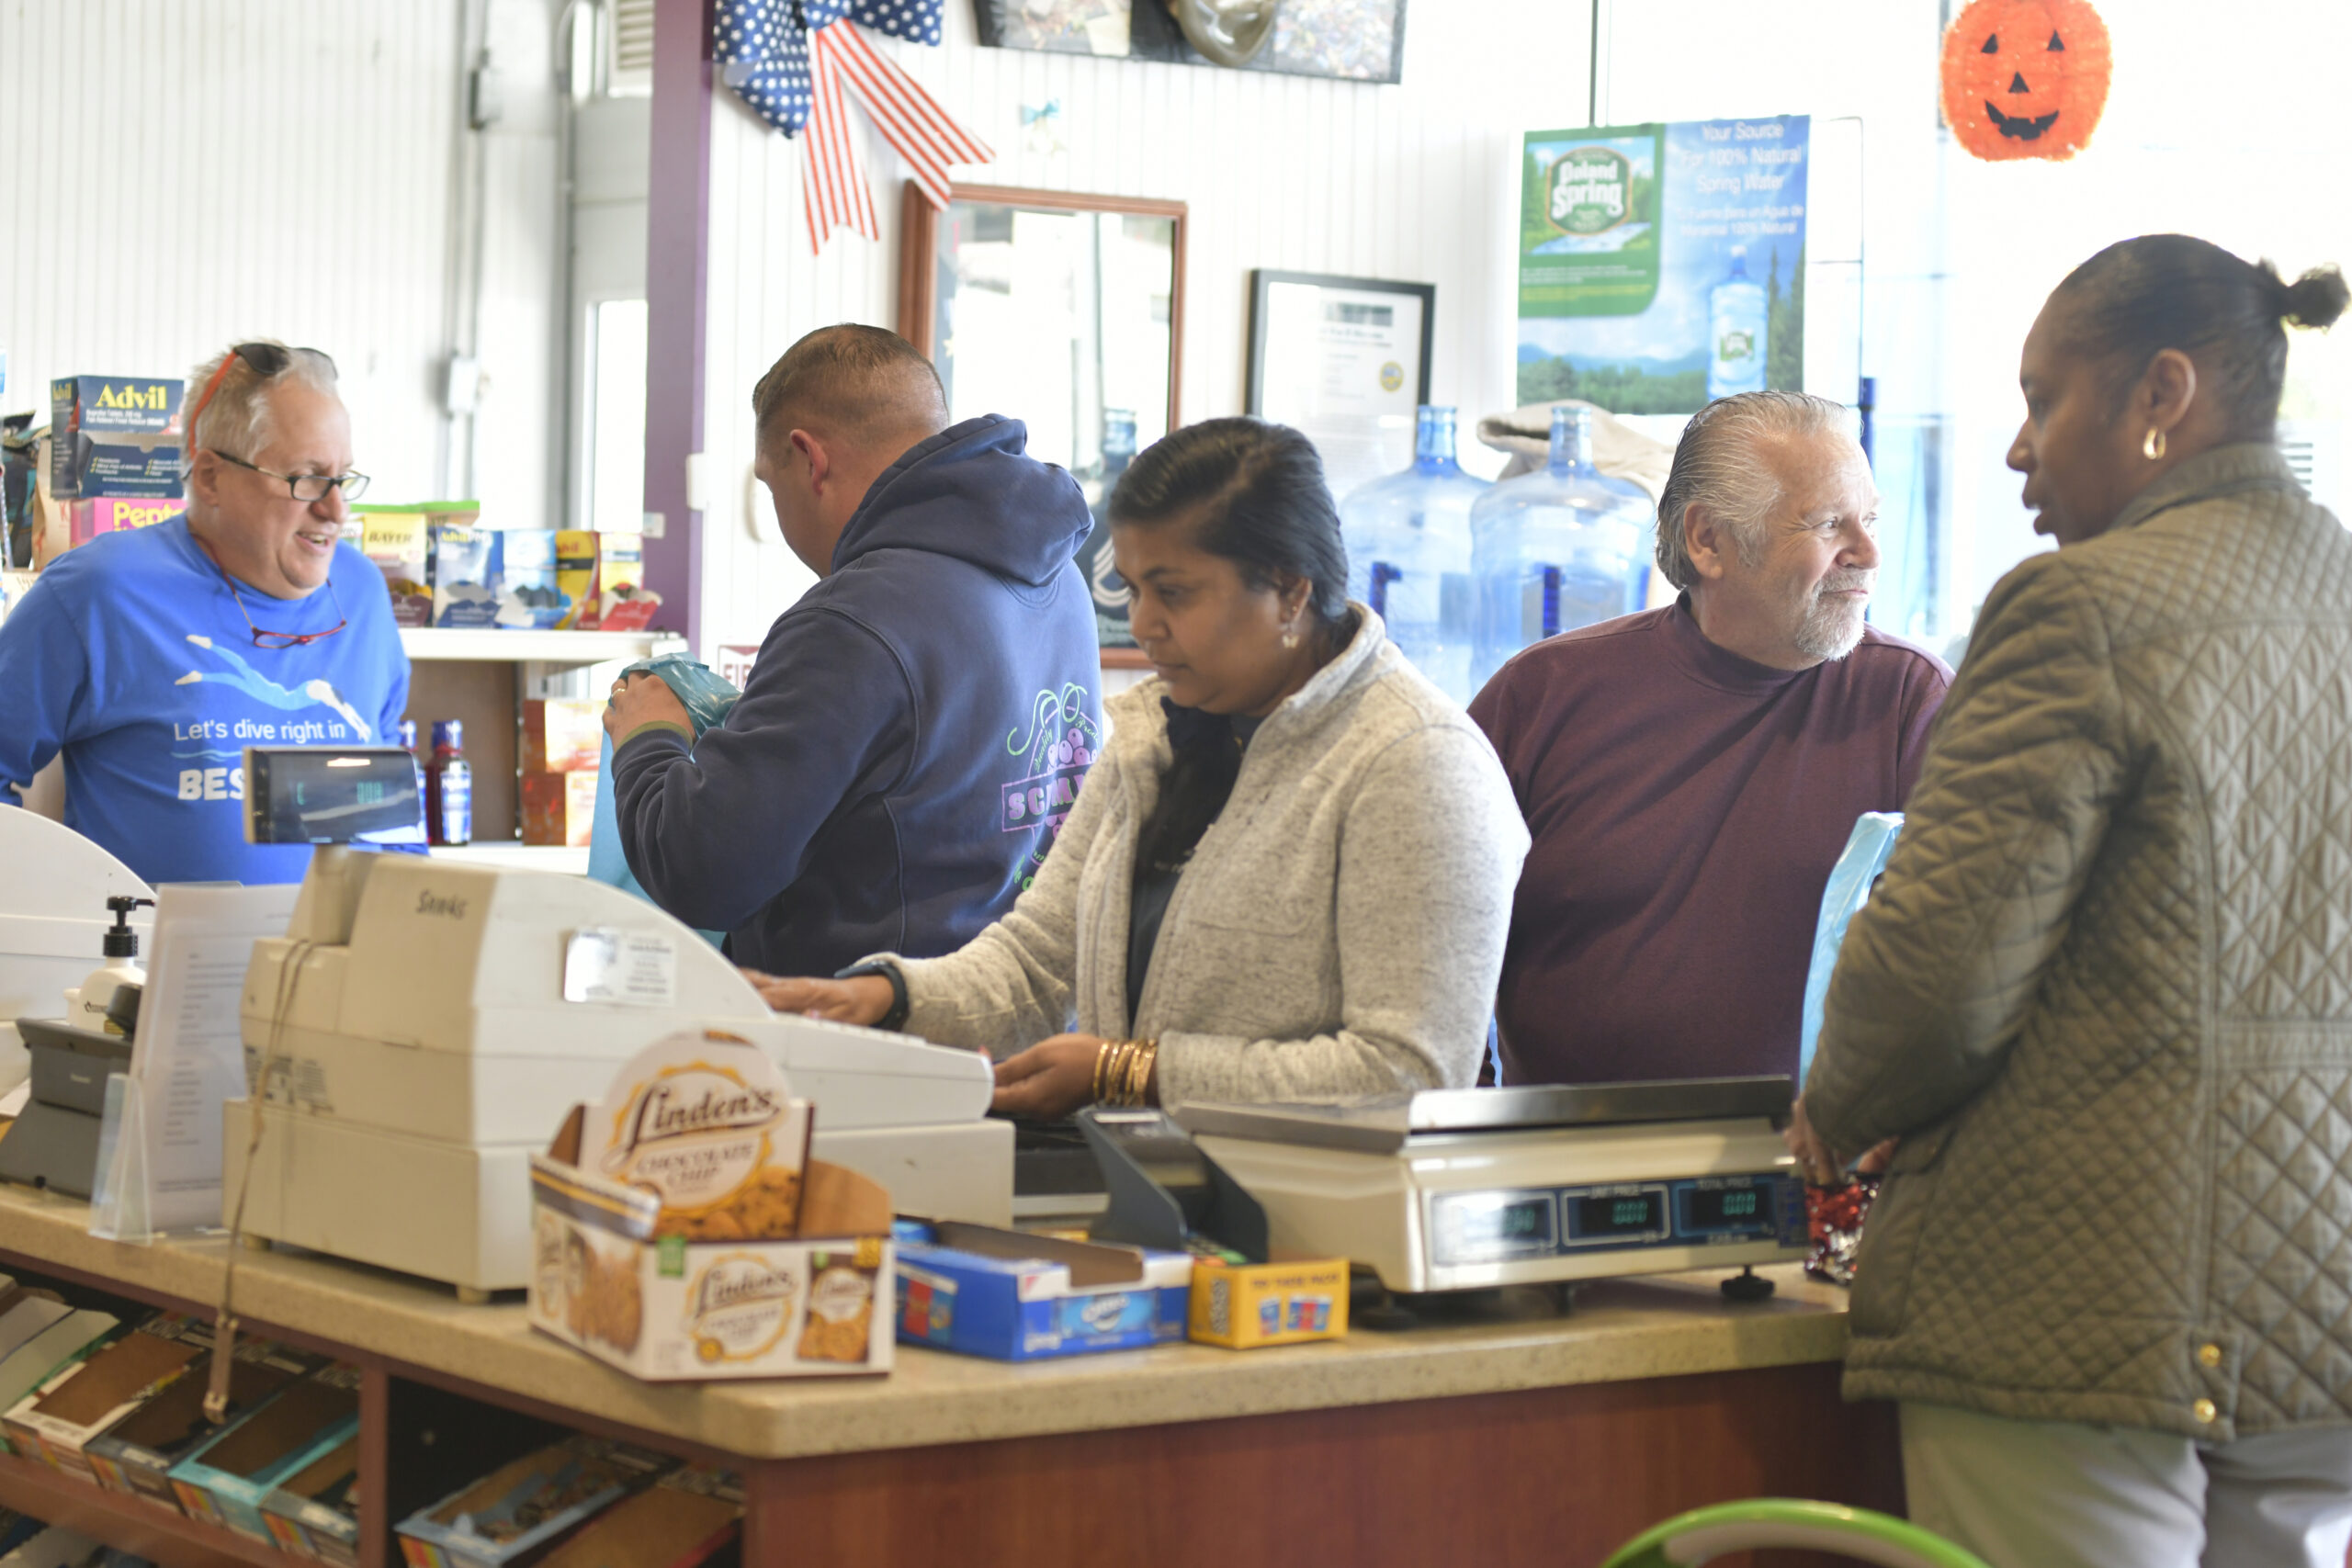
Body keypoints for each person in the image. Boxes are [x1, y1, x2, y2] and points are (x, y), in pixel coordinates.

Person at [1793, 237, 2352, 1568]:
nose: (2017, 449)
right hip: (2323, 1281)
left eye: (2045, 401)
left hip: (2083, 1287)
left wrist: (1836, 1107)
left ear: (2162, 394)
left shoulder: (2078, 608)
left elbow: (1941, 965)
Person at [752, 417, 1528, 1116]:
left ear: (1291, 591)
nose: (1143, 625)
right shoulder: (1156, 735)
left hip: (1321, 1242)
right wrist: (881, 996)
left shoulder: (1414, 763)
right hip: (1163, 1202)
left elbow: (1410, 1071)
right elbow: (1033, 964)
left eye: (1175, 593)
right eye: (1130, 588)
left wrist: (1131, 1072)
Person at [1468, 390, 1950, 1087]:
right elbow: (1426, 942)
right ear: (1708, 540)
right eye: (1826, 524)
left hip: (1821, 1166)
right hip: (1567, 1158)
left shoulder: (1912, 703)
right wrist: (1473, 1122)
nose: (1868, 552)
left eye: (1870, 519)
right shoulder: (1542, 697)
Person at [604, 324, 1102, 977]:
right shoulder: (1056, 573)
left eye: (768, 481)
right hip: (1019, 1017)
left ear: (809, 459)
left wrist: (648, 738)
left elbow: (704, 870)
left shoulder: (849, 623)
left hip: (875, 1038)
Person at [0, 342, 404, 885]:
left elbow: (385, 814)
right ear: (211, 477)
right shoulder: (100, 592)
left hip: (340, 964)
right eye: (306, 478)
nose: (336, 510)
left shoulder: (362, 594)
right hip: (156, 968)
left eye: (343, 478)